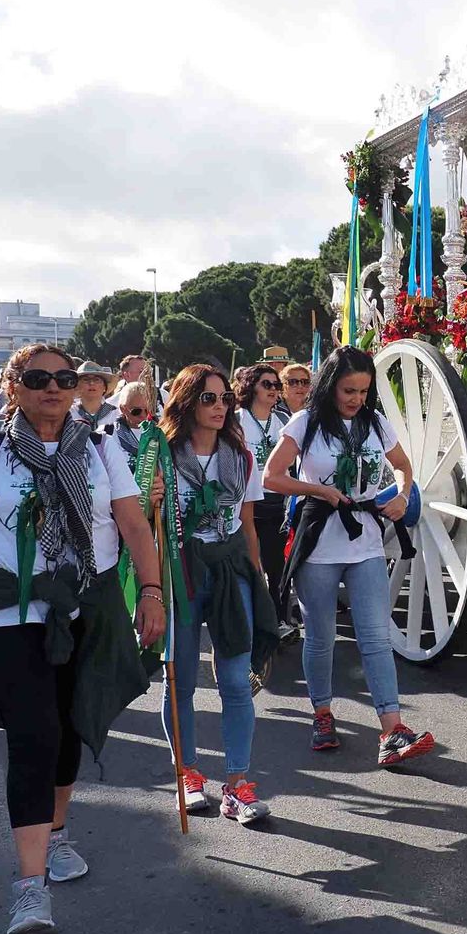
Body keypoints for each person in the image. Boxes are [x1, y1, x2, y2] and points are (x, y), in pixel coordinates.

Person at [0, 343, 165, 934]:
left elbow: (134, 524)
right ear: (14, 388)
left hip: (86, 603)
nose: (54, 388)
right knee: (34, 735)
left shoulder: (101, 447)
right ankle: (29, 890)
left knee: (67, 728)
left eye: (64, 378)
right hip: (9, 609)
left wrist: (153, 592)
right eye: (38, 379)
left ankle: (57, 832)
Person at [264, 346, 433, 766]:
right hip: (319, 542)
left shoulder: (375, 422)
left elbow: (402, 466)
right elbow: (272, 476)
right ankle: (322, 713)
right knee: (320, 638)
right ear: (330, 387)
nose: (356, 398)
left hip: (366, 543)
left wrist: (403, 493)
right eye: (348, 390)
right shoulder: (305, 423)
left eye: (363, 390)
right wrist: (318, 490)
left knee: (376, 636)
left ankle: (392, 729)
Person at [161, 365, 279, 826]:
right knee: (181, 683)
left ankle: (237, 786)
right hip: (182, 570)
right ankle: (188, 775)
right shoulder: (163, 456)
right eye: (208, 399)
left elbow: (247, 523)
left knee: (235, 682)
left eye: (224, 398)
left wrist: (258, 575)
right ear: (187, 403)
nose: (219, 407)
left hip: (232, 571)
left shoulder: (241, 456)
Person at [232, 364, 289, 610]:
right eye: (267, 384)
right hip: (247, 505)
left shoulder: (285, 420)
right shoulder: (234, 421)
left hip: (278, 503)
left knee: (278, 568)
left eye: (277, 385)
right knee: (250, 565)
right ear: (251, 386)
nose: (274, 390)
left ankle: (280, 618)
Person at [112, 382, 156, 466]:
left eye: (148, 410)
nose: (143, 415)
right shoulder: (110, 434)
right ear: (123, 409)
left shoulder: (162, 432)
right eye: (136, 411)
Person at [70, 362, 120, 435]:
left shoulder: (116, 414)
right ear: (77, 386)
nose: (91, 383)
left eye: (96, 380)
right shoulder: (69, 414)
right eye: (86, 379)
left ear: (104, 387)